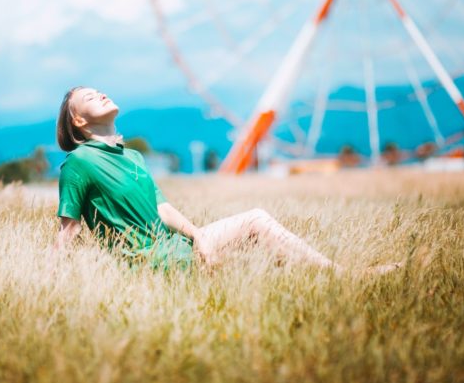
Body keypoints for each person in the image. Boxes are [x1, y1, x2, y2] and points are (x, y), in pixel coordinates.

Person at [53, 86, 400, 274]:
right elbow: (69, 230)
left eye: (100, 90)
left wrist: (199, 235)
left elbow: (162, 209)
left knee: (258, 232)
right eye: (88, 97)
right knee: (256, 224)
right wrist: (53, 277)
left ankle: (336, 275)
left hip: (179, 249)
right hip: (148, 263)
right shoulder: (79, 163)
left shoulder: (133, 157)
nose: (99, 94)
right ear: (80, 123)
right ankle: (346, 277)